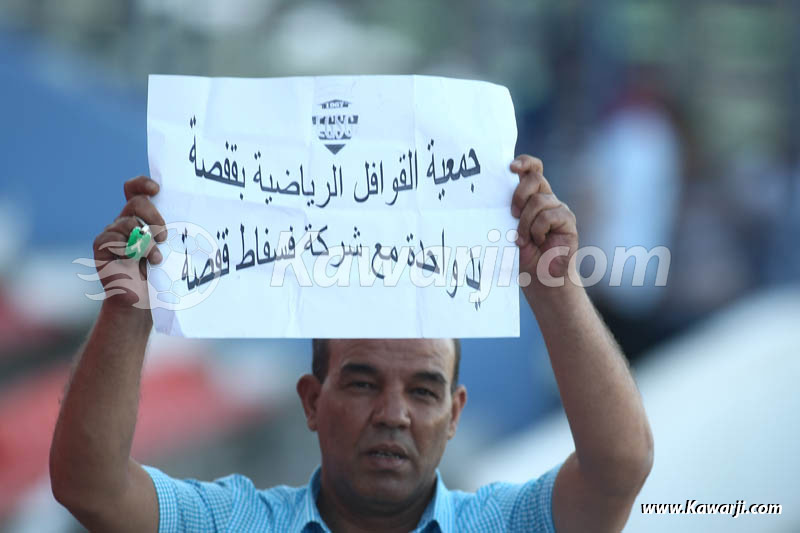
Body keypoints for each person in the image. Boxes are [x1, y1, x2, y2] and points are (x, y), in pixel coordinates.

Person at [50, 155, 653, 532]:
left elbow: (619, 467)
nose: (393, 414)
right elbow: (89, 486)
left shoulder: (505, 524)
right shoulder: (233, 522)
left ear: (455, 415)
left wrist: (556, 288)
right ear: (311, 400)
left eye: (424, 390)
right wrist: (128, 308)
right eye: (363, 382)